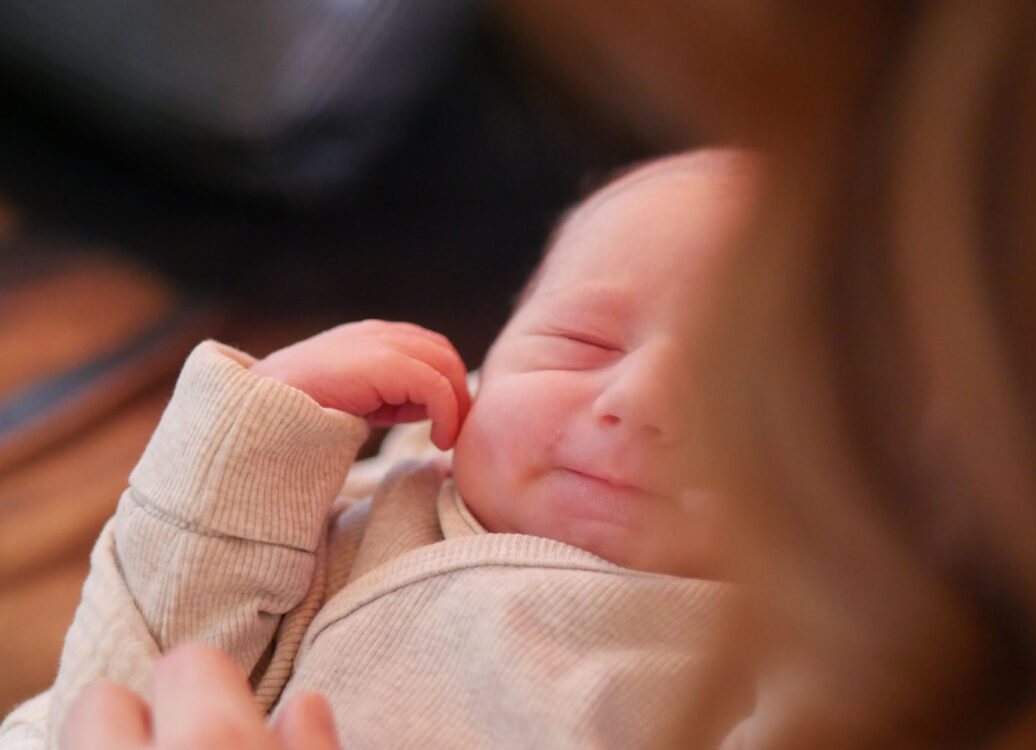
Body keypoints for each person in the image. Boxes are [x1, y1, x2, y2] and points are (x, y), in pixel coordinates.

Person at [0, 148, 761, 749]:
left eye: (743, 385)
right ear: (481, 373)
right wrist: (254, 444)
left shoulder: (791, 671)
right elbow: (141, 648)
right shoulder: (369, 514)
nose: (637, 402)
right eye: (580, 341)